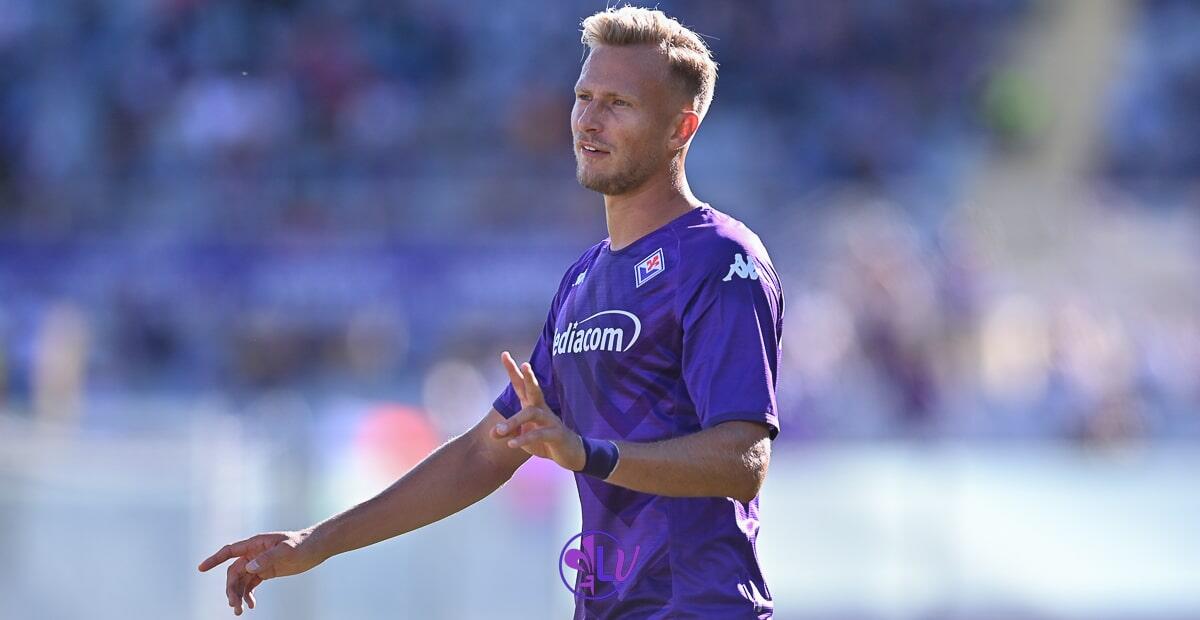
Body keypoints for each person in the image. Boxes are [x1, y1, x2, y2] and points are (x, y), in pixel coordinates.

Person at [199, 6, 784, 618]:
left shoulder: (721, 258)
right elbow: (488, 450)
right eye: (584, 96)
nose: (590, 118)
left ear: (679, 130)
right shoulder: (585, 279)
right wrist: (316, 541)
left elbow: (742, 460)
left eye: (619, 103)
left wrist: (589, 454)